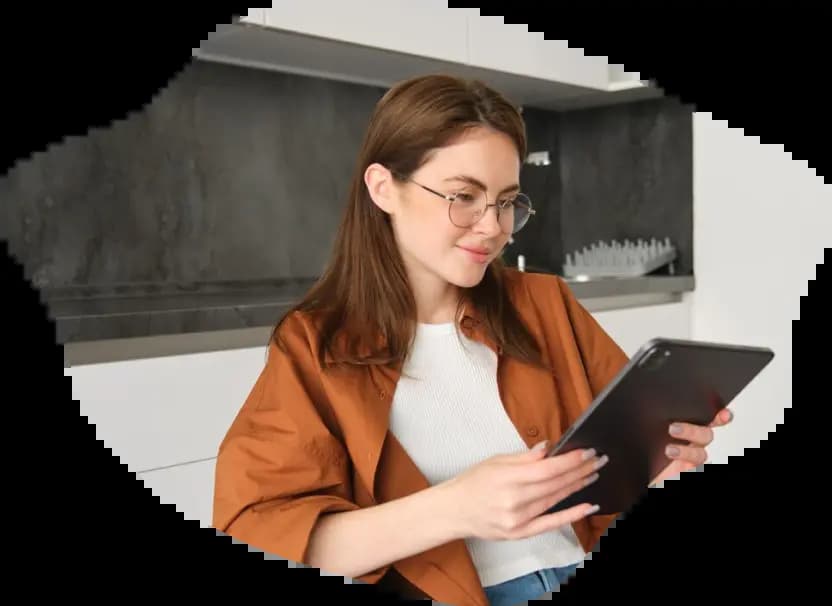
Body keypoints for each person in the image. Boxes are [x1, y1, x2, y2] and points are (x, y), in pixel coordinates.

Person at [212, 74, 732, 606]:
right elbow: (262, 532)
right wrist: (454, 507)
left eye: (506, 202)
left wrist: (659, 461)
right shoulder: (315, 346)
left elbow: (619, 470)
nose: (493, 227)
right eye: (464, 197)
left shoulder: (546, 304)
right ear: (383, 187)